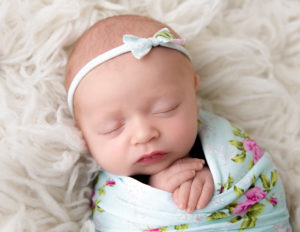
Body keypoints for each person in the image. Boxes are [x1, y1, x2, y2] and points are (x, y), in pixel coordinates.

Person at [65, 15, 291, 231]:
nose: (144, 134)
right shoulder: (111, 198)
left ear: (193, 94)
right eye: (112, 127)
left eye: (166, 108)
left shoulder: (223, 143)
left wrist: (214, 178)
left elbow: (245, 172)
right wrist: (156, 189)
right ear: (83, 133)